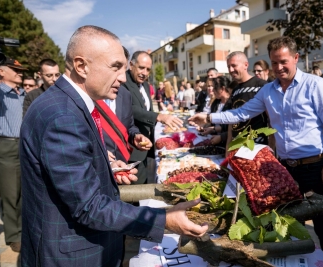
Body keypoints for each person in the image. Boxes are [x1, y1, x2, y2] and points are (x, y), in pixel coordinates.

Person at [19, 25, 207, 267]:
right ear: (81, 66)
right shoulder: (63, 116)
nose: (121, 77)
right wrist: (164, 220)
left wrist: (105, 163)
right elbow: (89, 207)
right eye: (115, 67)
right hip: (73, 255)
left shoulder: (65, 104)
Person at [189, 37, 323, 254]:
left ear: (296, 58)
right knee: (284, 220)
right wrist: (208, 118)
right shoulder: (269, 90)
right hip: (284, 168)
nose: (279, 68)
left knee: (322, 224)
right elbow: (241, 113)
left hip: (314, 167)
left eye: (284, 62)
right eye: (274, 63)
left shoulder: (314, 84)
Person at [123, 51, 183, 184]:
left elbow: (146, 109)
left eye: (148, 69)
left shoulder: (144, 84)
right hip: (131, 148)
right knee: (134, 191)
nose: (144, 73)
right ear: (131, 65)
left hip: (144, 146)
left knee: (144, 183)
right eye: (141, 67)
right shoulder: (123, 83)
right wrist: (159, 116)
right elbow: (130, 109)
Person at [0, 57, 27, 253]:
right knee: (10, 194)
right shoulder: (0, 93)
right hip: (6, 146)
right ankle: (14, 236)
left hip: (24, 146)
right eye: (14, 69)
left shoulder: (24, 93)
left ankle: (24, 229)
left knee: (25, 191)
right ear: (1, 71)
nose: (20, 72)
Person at [225, 51, 271, 150]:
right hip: (237, 148)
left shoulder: (262, 85)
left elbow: (271, 121)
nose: (231, 70)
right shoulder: (235, 90)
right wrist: (228, 148)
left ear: (246, 65)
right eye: (228, 67)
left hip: (257, 148)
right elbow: (232, 123)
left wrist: (271, 150)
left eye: (234, 65)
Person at [201, 76, 234, 147]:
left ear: (222, 89)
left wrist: (221, 136)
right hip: (214, 140)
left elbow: (231, 128)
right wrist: (207, 128)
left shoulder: (232, 103)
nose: (212, 90)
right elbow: (214, 123)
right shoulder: (216, 103)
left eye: (214, 88)